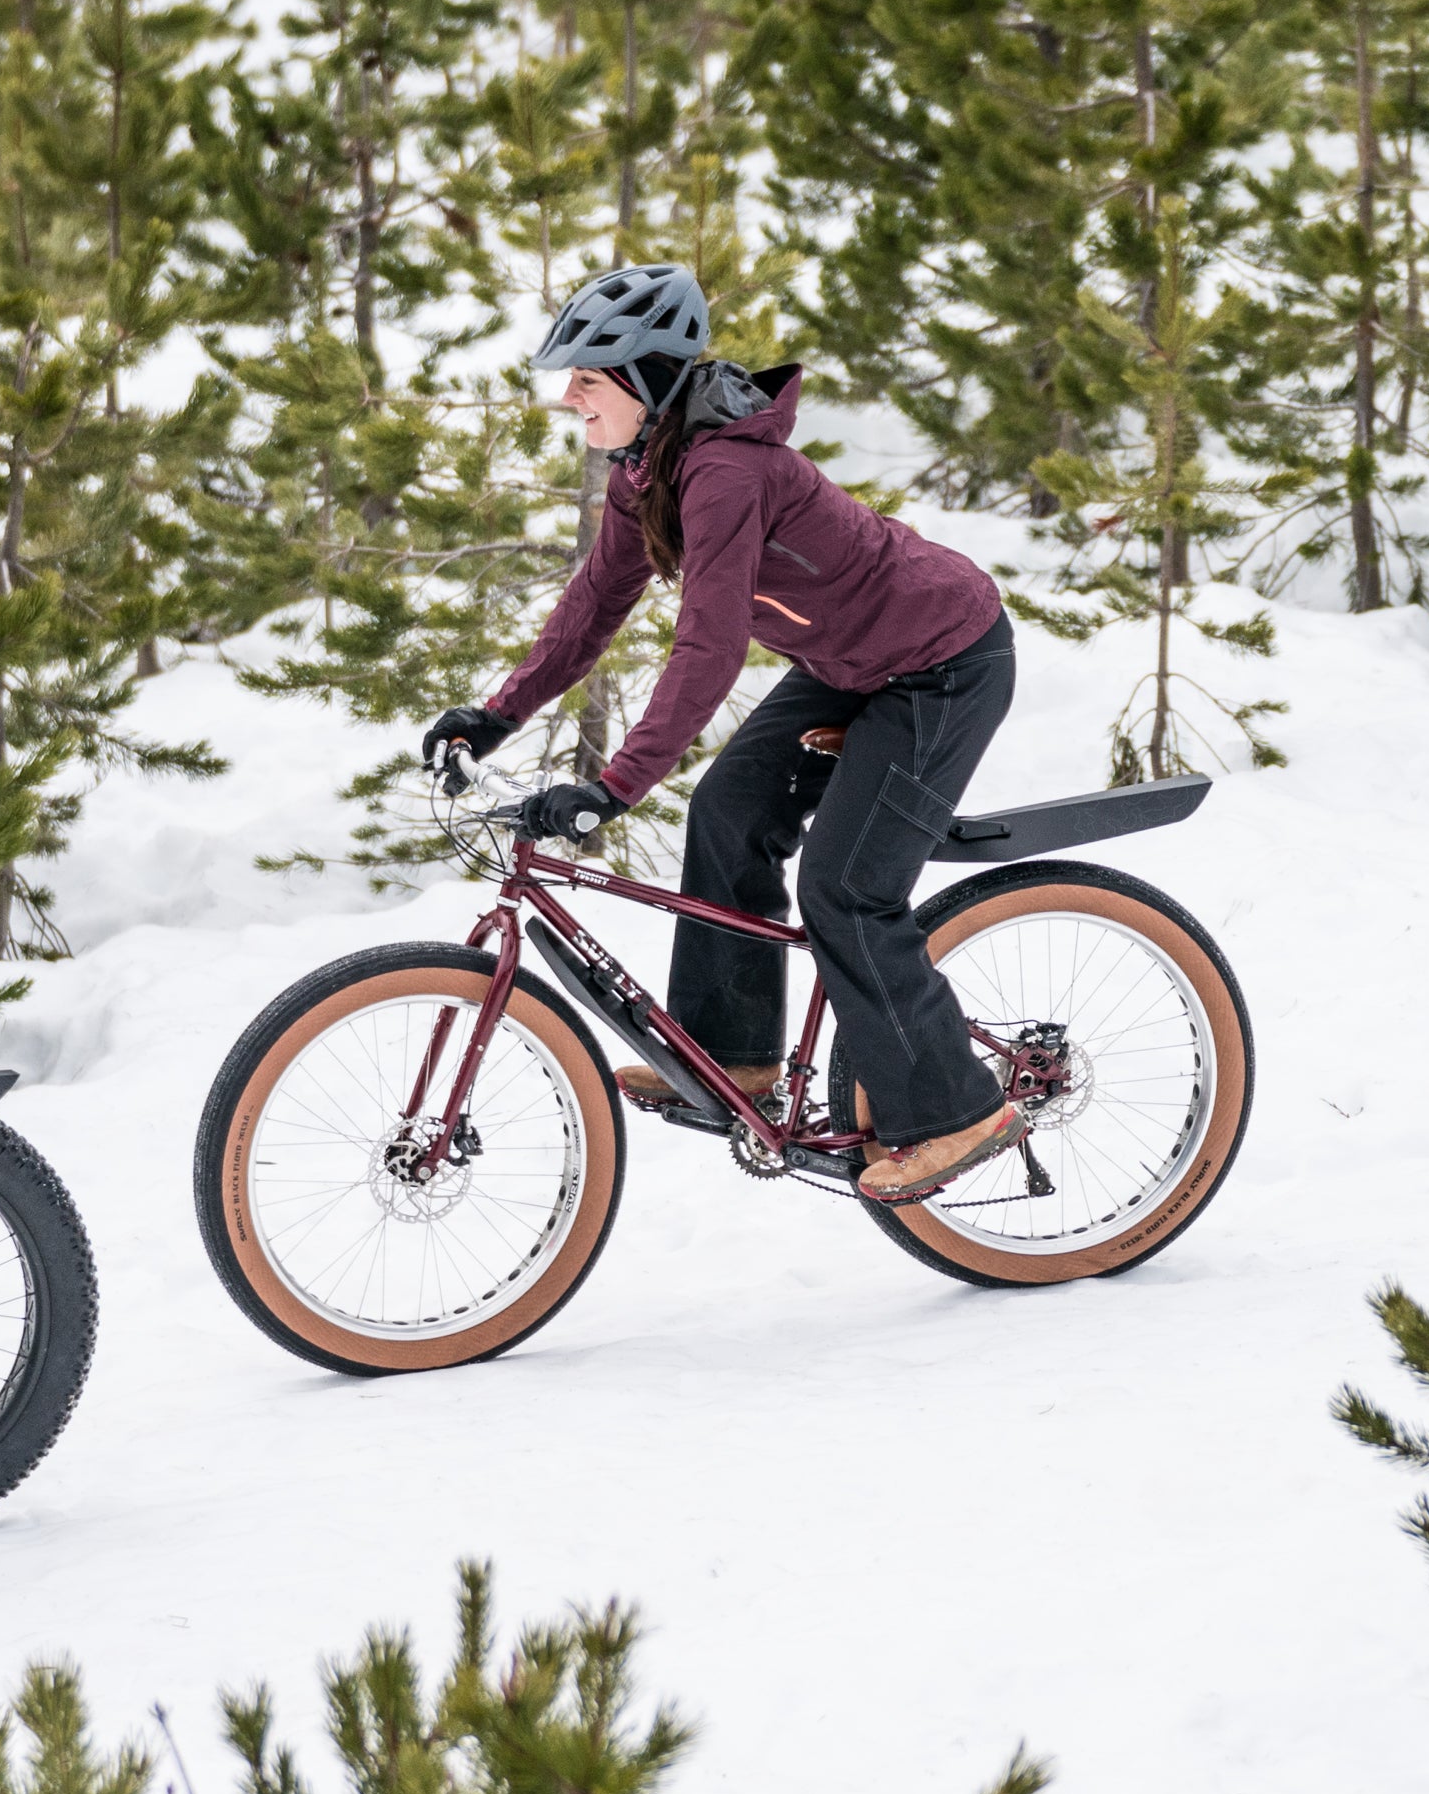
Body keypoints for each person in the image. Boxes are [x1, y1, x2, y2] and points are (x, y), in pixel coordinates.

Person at [423, 264, 1025, 1206]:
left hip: (943, 662)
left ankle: (957, 1112)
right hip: (848, 663)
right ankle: (734, 1056)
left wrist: (614, 786)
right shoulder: (647, 471)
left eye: (588, 377)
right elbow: (594, 605)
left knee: (846, 887)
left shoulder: (725, 473)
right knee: (728, 811)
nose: (569, 395)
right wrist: (498, 714)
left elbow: (709, 645)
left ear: (647, 381)